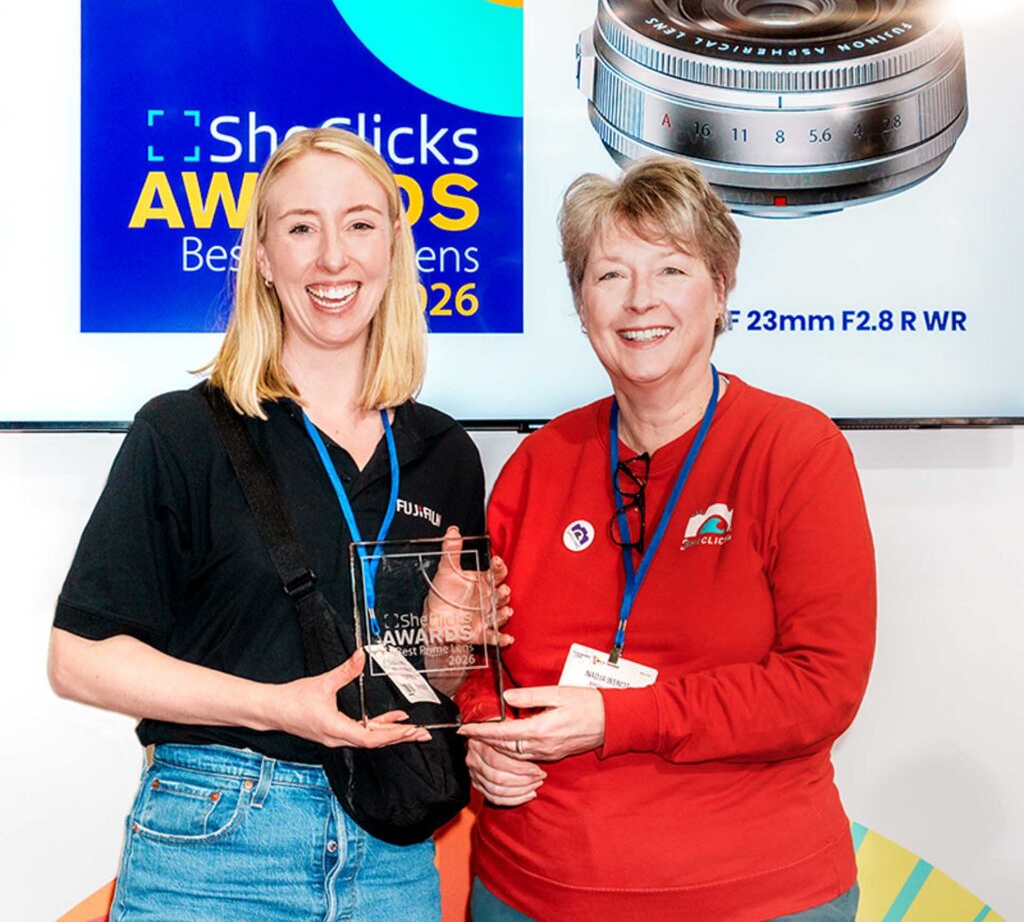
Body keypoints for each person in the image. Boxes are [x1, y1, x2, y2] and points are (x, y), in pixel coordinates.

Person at [48, 127, 507, 922]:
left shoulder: (445, 453)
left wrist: (448, 646)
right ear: (263, 257)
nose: (333, 257)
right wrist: (276, 706)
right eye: (301, 227)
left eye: (359, 224)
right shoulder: (183, 433)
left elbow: (427, 680)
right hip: (218, 843)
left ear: (393, 247)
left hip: (392, 853)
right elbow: (78, 660)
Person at [458, 156, 875, 922]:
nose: (639, 300)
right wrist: (484, 727)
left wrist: (616, 718)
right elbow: (484, 652)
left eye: (671, 270)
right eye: (609, 275)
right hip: (529, 891)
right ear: (581, 304)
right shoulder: (536, 465)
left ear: (720, 291)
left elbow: (822, 686)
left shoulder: (795, 451)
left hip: (752, 897)